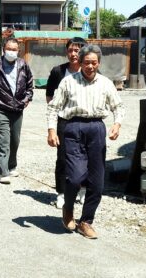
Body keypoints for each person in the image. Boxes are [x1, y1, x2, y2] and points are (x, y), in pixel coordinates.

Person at [46, 44, 123, 239]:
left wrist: (117, 124)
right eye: (86, 62)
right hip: (73, 128)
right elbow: (53, 107)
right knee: (75, 177)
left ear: (99, 63)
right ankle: (68, 209)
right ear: (80, 62)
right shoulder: (68, 82)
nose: (90, 66)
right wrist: (52, 130)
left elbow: (118, 106)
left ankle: (86, 221)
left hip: (97, 129)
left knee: (97, 181)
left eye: (94, 63)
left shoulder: (106, 83)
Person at [0, 37, 34, 184]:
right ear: (4, 50)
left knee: (14, 141)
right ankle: (3, 172)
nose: (11, 51)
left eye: (14, 49)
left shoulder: (23, 65)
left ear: (18, 51)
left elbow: (30, 83)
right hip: (0, 108)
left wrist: (28, 98)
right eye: (9, 49)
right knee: (2, 140)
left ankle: (12, 166)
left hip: (17, 109)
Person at [46, 37, 87, 209]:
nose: (73, 54)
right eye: (70, 50)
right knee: (62, 158)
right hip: (64, 121)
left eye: (77, 50)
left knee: (86, 157)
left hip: (85, 121)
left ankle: (83, 190)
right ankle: (61, 193)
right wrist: (53, 125)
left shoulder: (90, 71)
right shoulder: (58, 71)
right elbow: (49, 96)